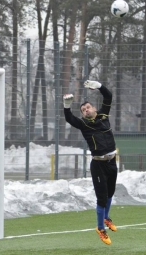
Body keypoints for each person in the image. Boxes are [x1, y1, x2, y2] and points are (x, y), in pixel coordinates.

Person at [63, 80, 118, 245]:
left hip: (112, 161)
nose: (86, 110)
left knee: (110, 193)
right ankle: (101, 229)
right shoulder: (83, 124)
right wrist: (67, 106)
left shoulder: (103, 115)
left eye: (88, 107)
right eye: (83, 110)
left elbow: (108, 96)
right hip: (98, 165)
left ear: (94, 108)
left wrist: (99, 86)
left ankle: (107, 218)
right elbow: (70, 118)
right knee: (101, 198)